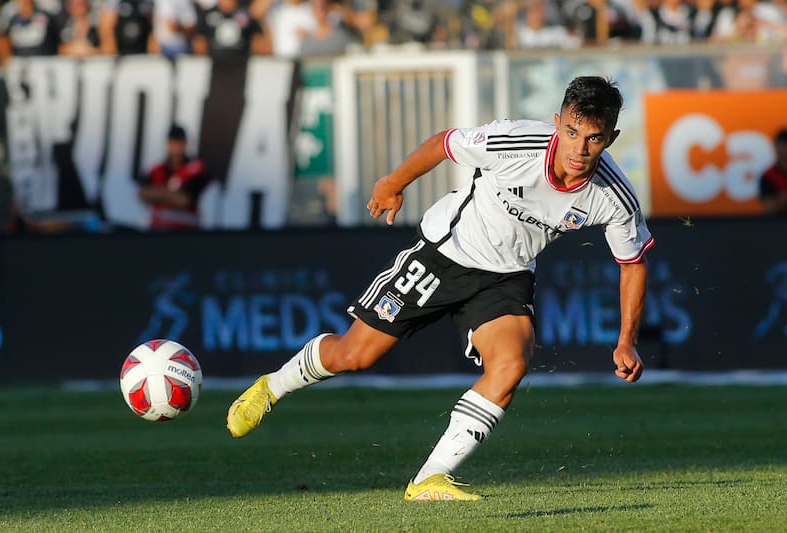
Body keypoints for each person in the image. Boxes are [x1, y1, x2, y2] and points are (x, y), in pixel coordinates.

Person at [226, 76, 653, 501]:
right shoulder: (516, 143)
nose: (580, 149)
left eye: (594, 139)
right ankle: (272, 386)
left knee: (510, 364)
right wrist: (393, 184)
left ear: (611, 138)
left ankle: (429, 478)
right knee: (354, 355)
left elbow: (632, 264)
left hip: (506, 275)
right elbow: (443, 143)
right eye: (572, 132)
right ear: (557, 122)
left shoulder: (614, 196)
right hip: (444, 254)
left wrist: (626, 341)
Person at [138, 124, 210, 230]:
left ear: (185, 144)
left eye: (179, 142)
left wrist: (157, 195)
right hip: (157, 230)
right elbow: (142, 194)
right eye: (173, 142)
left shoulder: (195, 169)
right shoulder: (156, 170)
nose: (176, 146)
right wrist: (171, 193)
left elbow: (185, 200)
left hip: (186, 232)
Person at [759, 128, 787, 215]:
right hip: (778, 222)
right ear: (775, 147)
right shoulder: (768, 176)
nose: (785, 149)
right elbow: (770, 207)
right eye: (782, 145)